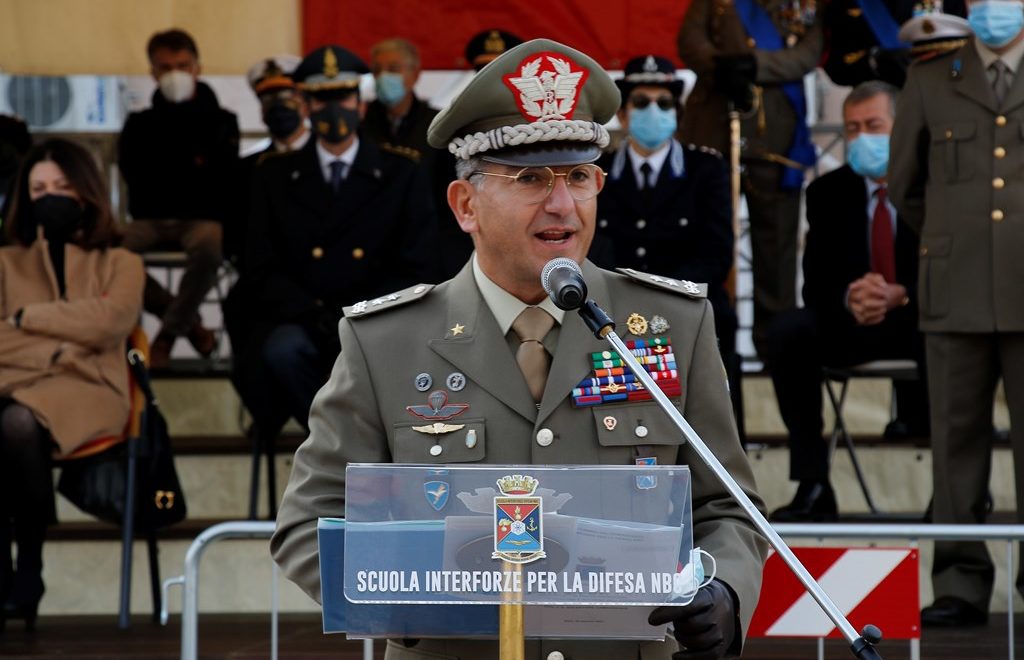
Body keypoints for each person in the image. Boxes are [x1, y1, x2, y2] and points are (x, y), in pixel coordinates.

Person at [272, 38, 768, 659]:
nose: (562, 205)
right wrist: (389, 596)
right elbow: (309, 520)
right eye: (530, 179)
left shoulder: (669, 325)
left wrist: (724, 590)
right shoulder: (385, 342)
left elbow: (728, 507)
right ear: (466, 205)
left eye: (579, 177)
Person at [889, 0, 1024, 627]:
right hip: (955, 283)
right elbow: (904, 184)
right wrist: (956, 236)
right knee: (954, 441)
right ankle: (960, 581)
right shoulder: (929, 76)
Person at [244, 44, 438, 434]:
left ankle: (356, 444)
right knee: (281, 351)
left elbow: (418, 263)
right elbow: (259, 262)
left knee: (393, 359)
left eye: (343, 97)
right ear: (305, 106)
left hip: (375, 317)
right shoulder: (274, 176)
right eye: (322, 99)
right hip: (304, 318)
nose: (334, 109)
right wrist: (312, 310)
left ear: (361, 105)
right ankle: (330, 439)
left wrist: (358, 311)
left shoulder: (401, 171)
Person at [766, 81, 928, 522]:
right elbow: (815, 286)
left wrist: (904, 293)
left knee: (953, 334)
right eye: (852, 129)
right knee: (788, 332)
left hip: (920, 317)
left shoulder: (933, 184)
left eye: (874, 126)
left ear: (902, 127)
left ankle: (953, 489)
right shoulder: (828, 191)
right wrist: (850, 297)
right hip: (853, 322)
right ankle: (813, 482)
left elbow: (958, 272)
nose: (861, 138)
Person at [0, 138, 144, 630]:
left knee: (17, 422)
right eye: (38, 189)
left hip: (91, 390)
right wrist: (61, 347)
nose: (50, 196)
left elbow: (111, 321)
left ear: (86, 190)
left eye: (61, 186)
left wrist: (25, 318)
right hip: (19, 384)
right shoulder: (6, 261)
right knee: (13, 418)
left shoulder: (120, 262)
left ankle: (29, 563)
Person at [590, 53, 740, 431]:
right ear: (623, 114)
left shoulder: (706, 169)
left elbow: (717, 252)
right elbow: (594, 250)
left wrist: (666, 296)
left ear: (677, 113)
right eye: (641, 102)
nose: (653, 111)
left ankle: (721, 450)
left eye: (664, 103)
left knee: (720, 324)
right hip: (616, 307)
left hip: (687, 301)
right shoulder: (597, 173)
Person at [678, 0, 821, 358]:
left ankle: (776, 353)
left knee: (777, 254)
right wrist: (721, 66)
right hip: (717, 133)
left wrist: (755, 65)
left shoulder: (805, 4)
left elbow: (808, 53)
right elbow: (690, 40)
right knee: (709, 244)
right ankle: (709, 345)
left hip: (777, 141)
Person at [118, 28, 239, 369]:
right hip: (149, 218)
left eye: (183, 66)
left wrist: (174, 170)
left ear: (197, 68)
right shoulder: (139, 123)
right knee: (111, 257)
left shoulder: (222, 121)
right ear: (153, 73)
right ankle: (190, 325)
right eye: (166, 67)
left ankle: (167, 336)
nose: (175, 74)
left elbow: (221, 177)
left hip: (201, 219)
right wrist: (192, 167)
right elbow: (135, 174)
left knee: (210, 248)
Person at [364, 38, 465, 279]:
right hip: (372, 250)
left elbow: (450, 196)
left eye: (393, 69)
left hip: (426, 250)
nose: (383, 77)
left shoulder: (438, 127)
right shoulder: (361, 127)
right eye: (377, 70)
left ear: (415, 75)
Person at [823, 0, 966, 87]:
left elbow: (962, 49)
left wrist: (955, 79)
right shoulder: (845, 3)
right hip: (877, 105)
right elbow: (836, 68)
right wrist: (874, 61)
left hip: (936, 93)